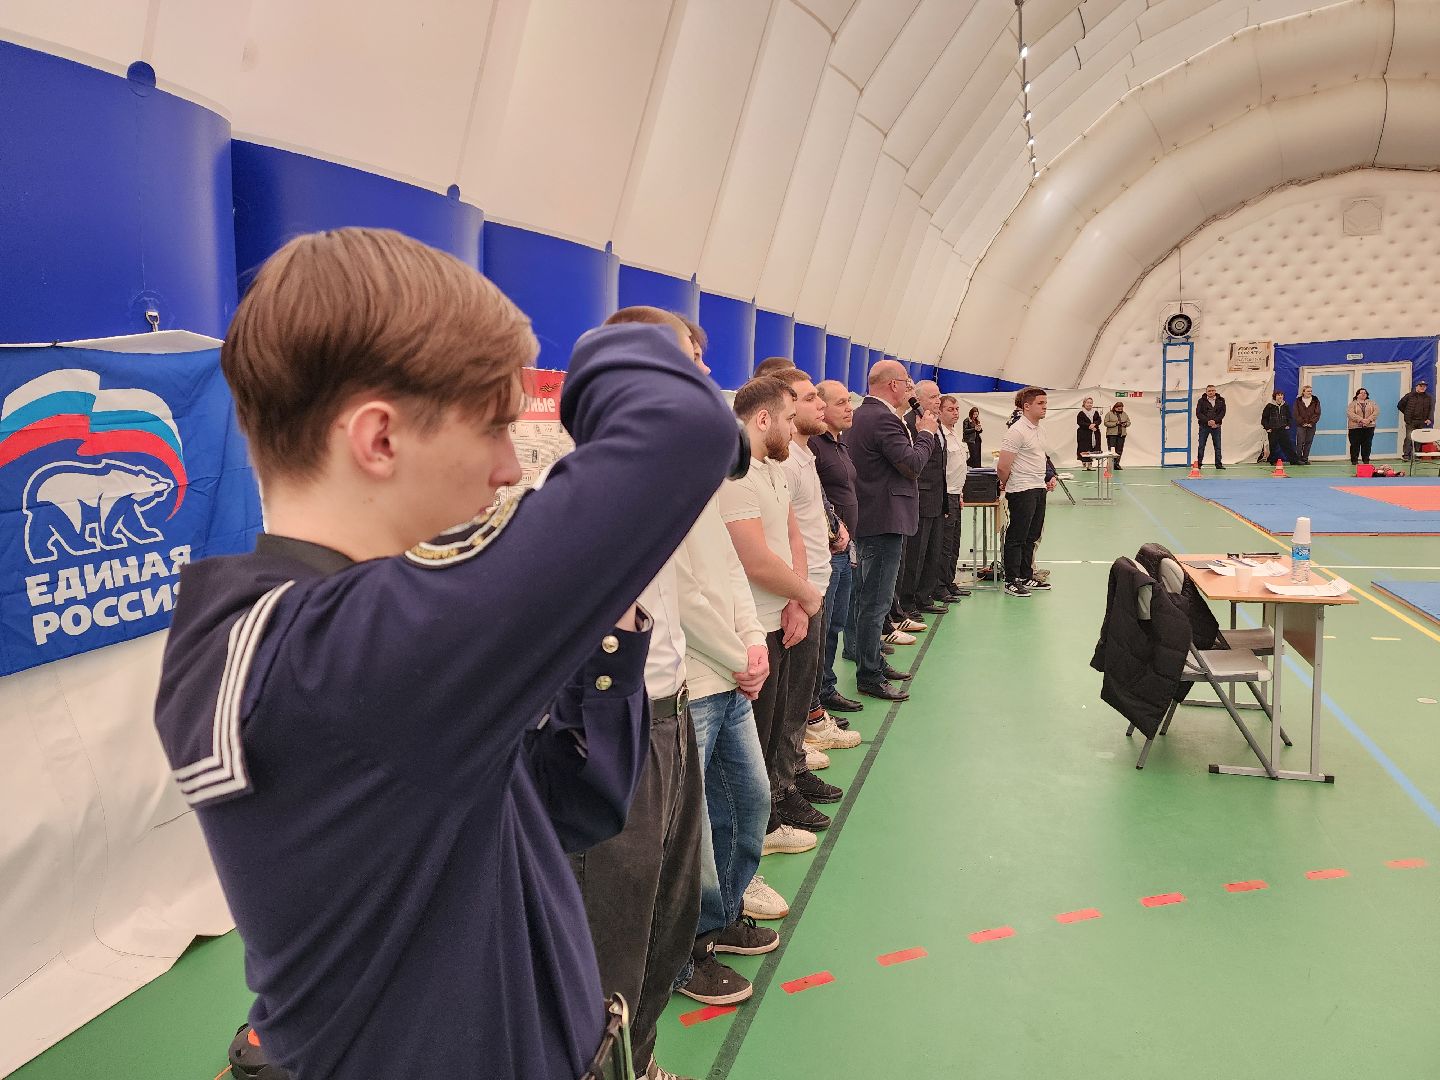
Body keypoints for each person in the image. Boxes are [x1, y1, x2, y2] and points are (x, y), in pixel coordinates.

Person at [152, 228, 740, 1080]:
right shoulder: (344, 657)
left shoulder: (289, 634)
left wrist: (597, 623)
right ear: (380, 440)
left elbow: (569, 808)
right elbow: (682, 426)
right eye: (495, 428)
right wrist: (614, 340)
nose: (510, 468)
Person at [568, 307, 748, 1080]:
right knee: (611, 928)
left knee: (664, 923)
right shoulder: (590, 483)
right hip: (618, 725)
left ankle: (638, 1065)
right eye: (688, 361)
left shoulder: (660, 481)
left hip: (670, 708)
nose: (704, 378)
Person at [720, 377, 829, 845]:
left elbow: (792, 536)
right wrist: (804, 595)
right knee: (751, 746)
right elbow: (756, 558)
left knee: (775, 730)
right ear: (763, 420)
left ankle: (769, 818)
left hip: (781, 615)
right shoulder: (736, 474)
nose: (792, 426)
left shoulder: (773, 468)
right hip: (752, 628)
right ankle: (756, 833)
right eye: (787, 418)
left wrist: (797, 599)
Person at [849, 360, 937, 702]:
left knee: (867, 597)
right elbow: (912, 464)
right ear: (894, 386)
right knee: (876, 600)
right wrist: (926, 433)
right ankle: (869, 673)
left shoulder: (865, 416)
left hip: (872, 515)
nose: (910, 390)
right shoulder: (883, 418)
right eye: (908, 383)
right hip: (884, 518)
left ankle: (869, 658)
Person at [812, 379, 863, 715]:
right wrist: (834, 529)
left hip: (844, 550)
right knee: (823, 627)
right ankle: (815, 697)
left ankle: (826, 687)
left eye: (849, 401)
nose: (849, 408)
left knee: (835, 624)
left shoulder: (838, 446)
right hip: (827, 551)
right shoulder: (815, 447)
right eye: (840, 402)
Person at [997, 387, 1057, 597]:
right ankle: (1011, 579)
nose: (1045, 407)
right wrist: (1006, 483)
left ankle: (1025, 575)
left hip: (1038, 487)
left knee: (1032, 535)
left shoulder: (1040, 430)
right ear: (1027, 406)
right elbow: (1003, 466)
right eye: (1040, 403)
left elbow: (1042, 457)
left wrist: (1049, 477)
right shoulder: (1016, 431)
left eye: (1045, 403)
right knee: (1017, 536)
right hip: (1021, 489)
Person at [898, 380, 949, 617]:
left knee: (932, 551)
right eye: (932, 397)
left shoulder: (936, 424)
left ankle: (924, 596)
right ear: (918, 398)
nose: (938, 401)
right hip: (921, 497)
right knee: (915, 554)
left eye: (939, 396)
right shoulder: (911, 423)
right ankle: (908, 601)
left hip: (937, 498)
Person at [938, 394, 969, 598]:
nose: (955, 413)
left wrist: (960, 493)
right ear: (939, 411)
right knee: (944, 543)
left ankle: (949, 581)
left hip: (956, 493)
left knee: (955, 542)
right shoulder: (940, 435)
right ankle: (939, 585)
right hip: (945, 494)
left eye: (957, 409)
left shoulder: (955, 433)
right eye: (950, 409)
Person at [1397, 379, 1434, 461]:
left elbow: (1431, 409)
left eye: (1424, 386)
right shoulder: (1409, 396)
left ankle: (1416, 455)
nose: (1423, 387)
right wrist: (1407, 414)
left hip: (1422, 421)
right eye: (1421, 386)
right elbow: (1400, 405)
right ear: (1416, 386)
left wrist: (1429, 419)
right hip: (1411, 421)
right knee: (1409, 438)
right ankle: (1406, 455)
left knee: (1418, 438)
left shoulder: (1428, 397)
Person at [1262, 390, 1300, 466]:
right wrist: (1267, 428)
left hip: (1283, 429)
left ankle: (1294, 461)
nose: (1280, 396)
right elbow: (1264, 418)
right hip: (1273, 429)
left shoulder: (1285, 406)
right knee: (1273, 446)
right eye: (1278, 395)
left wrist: (1288, 424)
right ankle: (1272, 460)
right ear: (1274, 396)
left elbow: (1289, 417)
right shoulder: (1269, 406)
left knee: (1288, 445)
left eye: (1281, 395)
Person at [1195, 384, 1226, 469]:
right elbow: (1198, 413)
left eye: (1213, 390)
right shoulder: (1201, 401)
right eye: (1209, 391)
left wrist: (1214, 421)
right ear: (1206, 392)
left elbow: (1222, 413)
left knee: (1218, 446)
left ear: (1215, 391)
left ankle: (1218, 464)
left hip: (1216, 426)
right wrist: (1207, 421)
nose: (1211, 392)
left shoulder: (1221, 400)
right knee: (1201, 445)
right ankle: (1199, 464)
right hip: (1204, 426)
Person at [1348, 386, 1378, 465]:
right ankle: (1354, 461)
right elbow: (1350, 414)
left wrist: (1368, 420)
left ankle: (1366, 460)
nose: (1363, 394)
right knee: (1355, 445)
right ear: (1357, 395)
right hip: (1355, 428)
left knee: (1367, 444)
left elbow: (1376, 412)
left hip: (1369, 427)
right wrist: (1361, 420)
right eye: (1361, 393)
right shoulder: (1352, 404)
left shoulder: (1372, 403)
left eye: (1365, 393)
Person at [1295, 383, 1320, 464]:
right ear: (1303, 392)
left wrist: (1311, 423)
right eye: (1308, 391)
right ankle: (1298, 459)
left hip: (1311, 426)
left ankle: (1305, 459)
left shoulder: (1315, 400)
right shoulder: (1298, 401)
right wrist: (1303, 423)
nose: (1310, 392)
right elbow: (1296, 413)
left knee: (1308, 442)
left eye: (1311, 391)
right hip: (1301, 425)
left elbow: (1317, 413)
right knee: (1300, 442)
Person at [1076, 396, 1102, 469]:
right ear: (1084, 403)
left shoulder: (1095, 412)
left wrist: (1094, 424)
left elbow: (1099, 420)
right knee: (1084, 448)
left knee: (1092, 448)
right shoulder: (1081, 413)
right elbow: (1080, 422)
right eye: (1088, 403)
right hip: (1084, 434)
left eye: (1091, 403)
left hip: (1094, 433)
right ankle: (1084, 464)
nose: (1089, 404)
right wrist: (1089, 426)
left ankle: (1090, 464)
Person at [1103, 401, 1130, 469]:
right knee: (1111, 450)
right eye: (1119, 408)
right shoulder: (1109, 414)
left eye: (1121, 408)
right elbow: (1106, 423)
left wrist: (1125, 424)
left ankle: (1116, 464)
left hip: (1121, 435)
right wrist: (1115, 423)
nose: (1120, 409)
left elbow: (1129, 422)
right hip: (1112, 435)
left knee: (1119, 450)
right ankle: (1110, 464)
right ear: (1115, 407)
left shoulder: (1124, 414)